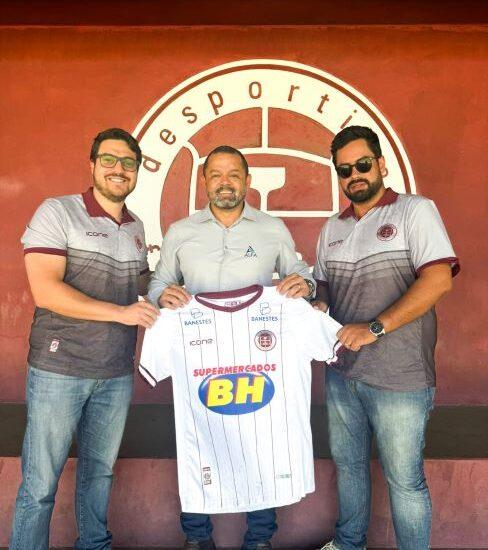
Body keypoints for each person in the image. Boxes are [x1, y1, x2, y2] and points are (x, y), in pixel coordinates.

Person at [148, 145, 316, 550]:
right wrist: (161, 295)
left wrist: (305, 285)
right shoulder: (181, 231)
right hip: (200, 357)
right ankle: (196, 537)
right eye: (216, 175)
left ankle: (259, 538)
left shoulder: (272, 228)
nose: (225, 183)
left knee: (260, 439)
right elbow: (158, 283)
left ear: (248, 181)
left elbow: (299, 276)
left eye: (234, 175)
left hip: (258, 356)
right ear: (204, 181)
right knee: (197, 437)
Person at [10, 128, 159, 550]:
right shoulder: (58, 212)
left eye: (128, 162)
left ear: (137, 171)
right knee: (40, 483)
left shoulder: (135, 226)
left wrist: (167, 290)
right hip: (60, 369)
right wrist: (121, 313)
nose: (119, 169)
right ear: (92, 165)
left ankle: (94, 545)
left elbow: (138, 283)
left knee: (99, 475)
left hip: (114, 372)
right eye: (109, 160)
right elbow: (46, 291)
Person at [313, 126, 459, 550]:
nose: (354, 175)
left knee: (404, 480)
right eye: (344, 170)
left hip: (401, 376)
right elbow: (324, 289)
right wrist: (317, 304)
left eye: (362, 165)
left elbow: (438, 280)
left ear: (380, 164)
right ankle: (349, 543)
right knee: (349, 467)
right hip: (342, 372)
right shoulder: (332, 228)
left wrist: (374, 328)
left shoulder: (415, 211)